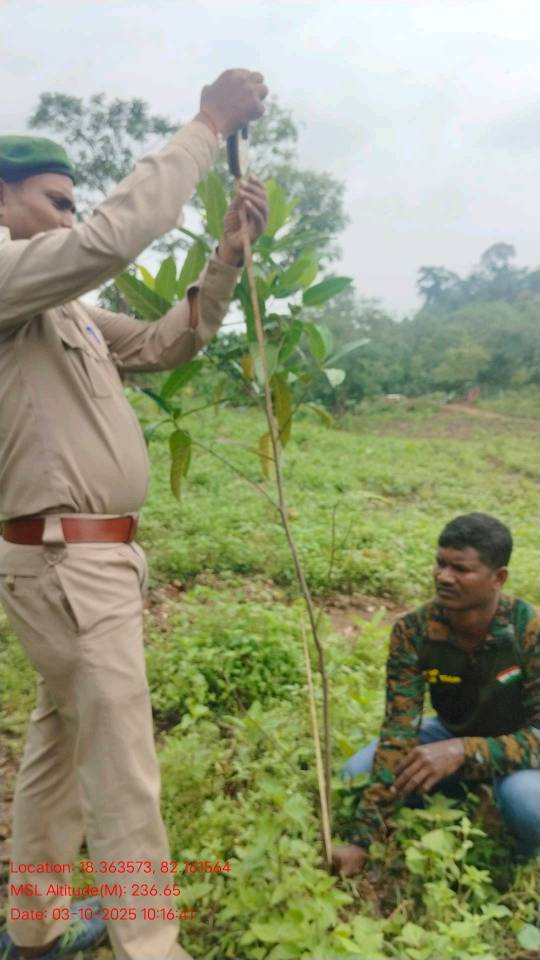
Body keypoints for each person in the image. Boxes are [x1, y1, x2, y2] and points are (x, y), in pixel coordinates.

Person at [0, 69, 268, 960]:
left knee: (59, 751)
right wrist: (208, 126)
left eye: (73, 205)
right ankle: (151, 946)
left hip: (83, 566)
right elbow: (112, 237)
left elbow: (165, 342)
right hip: (67, 565)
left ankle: (33, 928)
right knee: (123, 777)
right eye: (55, 201)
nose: (69, 219)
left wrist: (225, 258)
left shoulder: (60, 309)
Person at [332, 513, 540, 877]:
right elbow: (399, 731)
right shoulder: (413, 630)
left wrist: (463, 752)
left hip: (521, 750)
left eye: (460, 569)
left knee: (526, 802)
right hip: (449, 731)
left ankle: (519, 852)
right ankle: (471, 797)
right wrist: (363, 840)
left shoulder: (530, 630)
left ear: (498, 578)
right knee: (355, 776)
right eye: (440, 564)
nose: (443, 577)